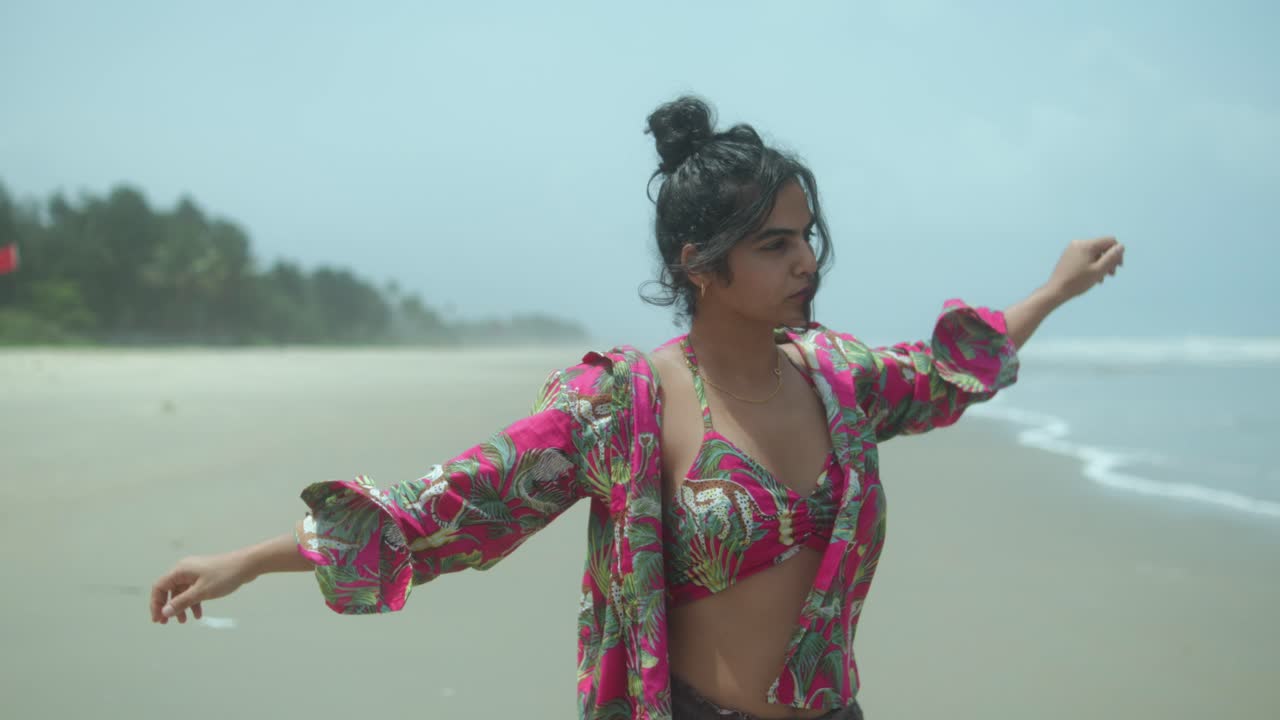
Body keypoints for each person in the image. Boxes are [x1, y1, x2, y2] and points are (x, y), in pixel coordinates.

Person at [150, 96, 1125, 720]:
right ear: (695, 266)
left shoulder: (840, 378)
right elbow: (451, 506)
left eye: (806, 236)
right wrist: (252, 560)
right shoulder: (623, 406)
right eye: (775, 244)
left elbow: (941, 373)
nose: (806, 261)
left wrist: (1049, 292)